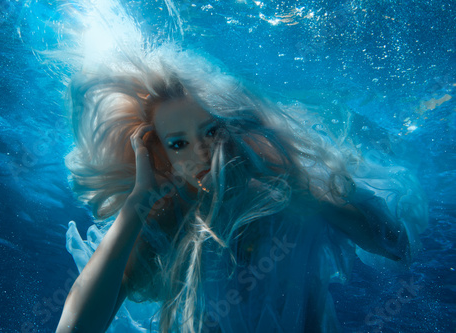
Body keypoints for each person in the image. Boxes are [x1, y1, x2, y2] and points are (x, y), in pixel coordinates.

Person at [55, 45, 428, 333]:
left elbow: (396, 246)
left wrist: (306, 196)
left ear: (233, 126)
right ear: (161, 155)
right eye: (179, 144)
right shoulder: (168, 220)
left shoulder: (288, 189)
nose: (201, 154)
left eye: (210, 131)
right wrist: (137, 204)